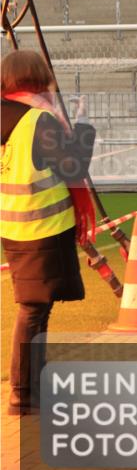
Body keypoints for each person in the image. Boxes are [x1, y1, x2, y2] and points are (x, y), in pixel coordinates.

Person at [1, 50, 96, 415]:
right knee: (33, 311)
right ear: (39, 77)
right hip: (43, 227)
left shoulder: (8, 115)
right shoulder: (38, 118)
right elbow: (74, 166)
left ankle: (33, 387)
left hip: (14, 226)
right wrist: (83, 127)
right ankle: (23, 393)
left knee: (37, 309)